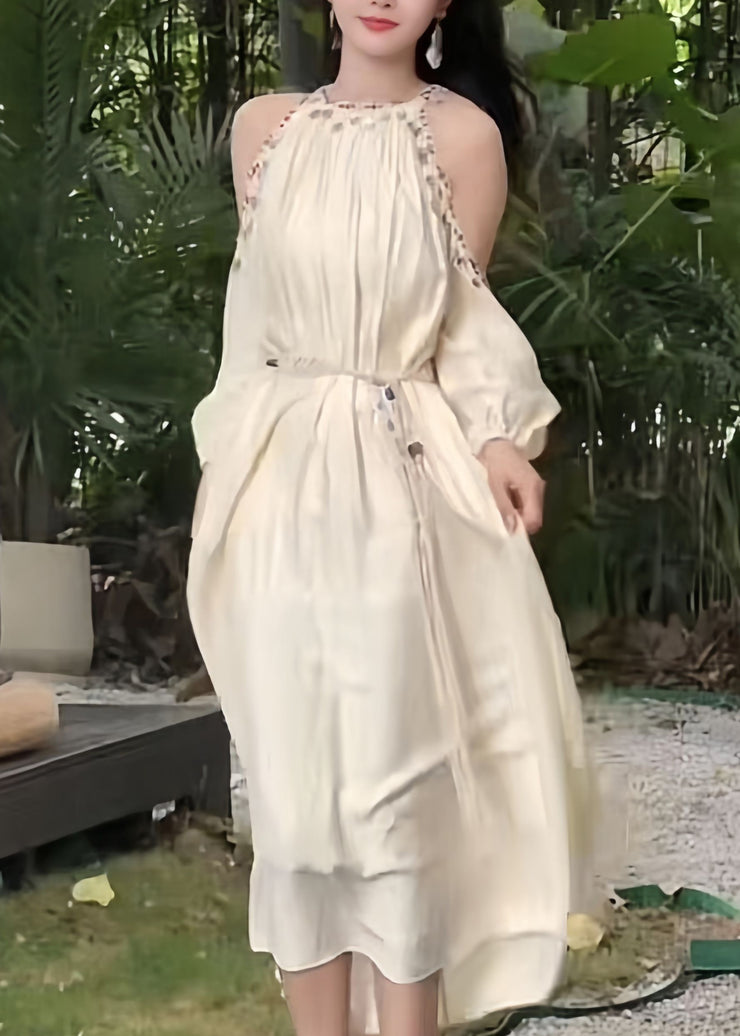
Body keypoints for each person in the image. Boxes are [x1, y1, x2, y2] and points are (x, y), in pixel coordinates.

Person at [186, 0, 597, 1033]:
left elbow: (463, 316)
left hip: (399, 480)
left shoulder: (462, 137)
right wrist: (226, 463)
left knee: (387, 793)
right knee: (295, 805)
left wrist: (499, 436)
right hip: (275, 488)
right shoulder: (262, 127)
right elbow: (250, 318)